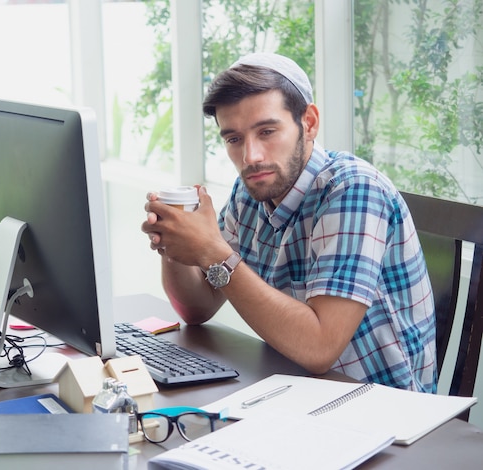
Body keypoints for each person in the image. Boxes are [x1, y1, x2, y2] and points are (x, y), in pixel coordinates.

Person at [141, 52, 437, 393]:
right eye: (234, 139)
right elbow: (197, 307)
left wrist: (212, 251)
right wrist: (174, 241)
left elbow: (319, 348)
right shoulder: (251, 189)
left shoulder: (353, 190)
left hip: (384, 409)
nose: (251, 157)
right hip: (299, 394)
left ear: (308, 123)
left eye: (267, 131)